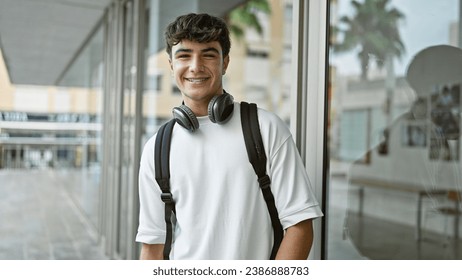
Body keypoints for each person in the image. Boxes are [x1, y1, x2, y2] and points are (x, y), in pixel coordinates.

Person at [136, 13, 323, 260]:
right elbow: (153, 245)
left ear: (224, 63)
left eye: (209, 54)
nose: (195, 66)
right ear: (171, 66)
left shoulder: (265, 128)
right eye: (184, 55)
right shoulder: (157, 147)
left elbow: (300, 225)